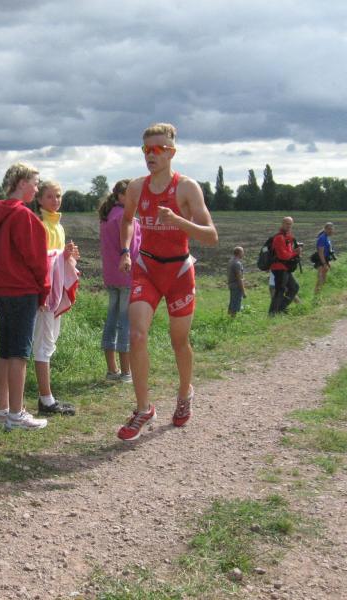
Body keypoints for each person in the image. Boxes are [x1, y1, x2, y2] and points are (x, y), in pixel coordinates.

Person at [117, 123, 218, 441]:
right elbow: (126, 220)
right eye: (146, 149)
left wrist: (178, 221)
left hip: (178, 272)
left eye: (158, 149)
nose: (151, 154)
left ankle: (185, 392)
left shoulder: (186, 188)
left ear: (171, 152)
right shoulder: (136, 187)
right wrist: (125, 250)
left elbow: (211, 236)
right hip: (147, 268)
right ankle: (143, 408)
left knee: (179, 341)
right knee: (136, 335)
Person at [0, 163, 50, 431]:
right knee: (20, 353)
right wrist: (44, 289)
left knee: (5, 350)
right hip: (22, 290)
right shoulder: (23, 215)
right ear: (22, 183)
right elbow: (37, 259)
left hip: (1, 289)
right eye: (35, 183)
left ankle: (1, 411)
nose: (37, 188)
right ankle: (16, 414)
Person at [31, 181, 78, 416]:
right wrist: (61, 256)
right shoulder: (40, 224)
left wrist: (67, 256)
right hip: (45, 295)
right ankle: (46, 399)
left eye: (58, 196)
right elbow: (41, 259)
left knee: (49, 341)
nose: (55, 200)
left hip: (55, 292)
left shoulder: (58, 226)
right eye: (50, 196)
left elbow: (57, 259)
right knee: (43, 342)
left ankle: (46, 396)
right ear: (39, 199)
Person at [99, 179, 140, 383]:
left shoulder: (107, 216)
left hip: (111, 274)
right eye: (131, 195)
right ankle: (126, 372)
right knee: (125, 322)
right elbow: (132, 249)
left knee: (112, 319)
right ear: (120, 196)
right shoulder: (125, 217)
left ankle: (111, 370)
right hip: (126, 274)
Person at [269, 216, 302, 315]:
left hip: (285, 268)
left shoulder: (287, 236)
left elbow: (288, 252)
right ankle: (273, 313)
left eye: (290, 224)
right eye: (287, 224)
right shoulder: (279, 238)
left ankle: (279, 309)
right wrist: (295, 253)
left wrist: (295, 251)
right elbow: (283, 255)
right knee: (280, 290)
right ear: (282, 224)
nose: (289, 226)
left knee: (294, 287)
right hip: (279, 268)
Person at [313, 222, 335, 294]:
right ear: (325, 229)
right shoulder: (322, 238)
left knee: (323, 279)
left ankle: (320, 294)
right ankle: (317, 295)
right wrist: (324, 264)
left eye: (331, 229)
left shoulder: (326, 237)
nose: (330, 231)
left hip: (325, 259)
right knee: (320, 279)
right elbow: (320, 253)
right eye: (329, 229)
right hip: (321, 260)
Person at [227, 246, 246, 317]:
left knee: (232, 301)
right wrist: (243, 291)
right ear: (239, 253)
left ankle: (229, 317)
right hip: (236, 286)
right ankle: (232, 319)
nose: (243, 254)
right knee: (235, 303)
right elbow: (239, 278)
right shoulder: (237, 263)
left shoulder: (231, 261)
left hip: (231, 284)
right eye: (243, 252)